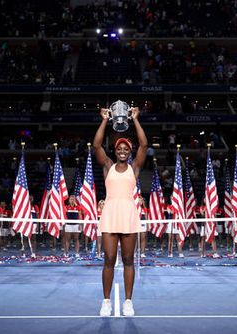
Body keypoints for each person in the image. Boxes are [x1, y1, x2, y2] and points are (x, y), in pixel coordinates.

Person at [93, 106, 147, 317]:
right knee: (108, 259)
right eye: (119, 148)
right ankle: (106, 302)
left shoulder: (135, 167)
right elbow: (97, 144)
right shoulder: (108, 165)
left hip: (128, 215)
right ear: (115, 151)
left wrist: (135, 120)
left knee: (128, 260)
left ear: (129, 151)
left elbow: (144, 144)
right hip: (110, 215)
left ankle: (128, 302)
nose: (123, 151)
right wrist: (105, 120)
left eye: (126, 148)